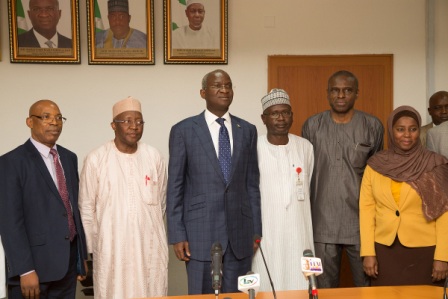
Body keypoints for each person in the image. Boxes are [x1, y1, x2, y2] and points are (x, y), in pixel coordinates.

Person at [167, 69, 261, 294]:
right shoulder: (184, 130)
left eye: (228, 86)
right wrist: (177, 234)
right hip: (200, 235)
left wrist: (256, 229)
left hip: (240, 236)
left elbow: (252, 185)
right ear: (203, 93)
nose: (224, 90)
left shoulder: (247, 130)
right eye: (217, 86)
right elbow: (175, 186)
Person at [79, 97, 168, 299]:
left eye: (139, 121)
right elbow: (86, 208)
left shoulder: (154, 156)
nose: (134, 127)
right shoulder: (96, 159)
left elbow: (161, 202)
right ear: (113, 125)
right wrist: (93, 250)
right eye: (127, 121)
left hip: (150, 249)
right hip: (112, 250)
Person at [302, 70, 384, 288]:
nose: (341, 95)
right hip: (322, 223)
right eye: (335, 91)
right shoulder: (312, 126)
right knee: (322, 289)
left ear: (357, 93)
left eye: (347, 90)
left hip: (361, 224)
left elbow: (377, 178)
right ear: (328, 93)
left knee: (367, 288)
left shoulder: (372, 126)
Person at [0, 100, 87, 299]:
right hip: (33, 271)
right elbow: (9, 222)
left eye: (58, 118)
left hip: (67, 268)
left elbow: (74, 210)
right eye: (46, 117)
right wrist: (25, 269)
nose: (54, 123)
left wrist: (80, 259)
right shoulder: (10, 162)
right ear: (30, 122)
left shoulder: (68, 157)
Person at [360, 105, 448, 286]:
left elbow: (444, 213)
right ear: (391, 131)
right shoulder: (375, 165)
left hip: (425, 250)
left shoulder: (434, 164)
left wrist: (443, 257)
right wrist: (368, 252)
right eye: (400, 129)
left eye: (413, 129)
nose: (407, 135)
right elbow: (367, 210)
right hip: (385, 250)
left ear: (419, 131)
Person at [252, 89, 314, 291]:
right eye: (274, 113)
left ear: (292, 116)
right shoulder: (253, 146)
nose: (281, 118)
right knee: (266, 280)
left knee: (300, 281)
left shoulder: (305, 147)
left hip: (299, 229)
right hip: (266, 230)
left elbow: (308, 181)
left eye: (286, 113)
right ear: (264, 118)